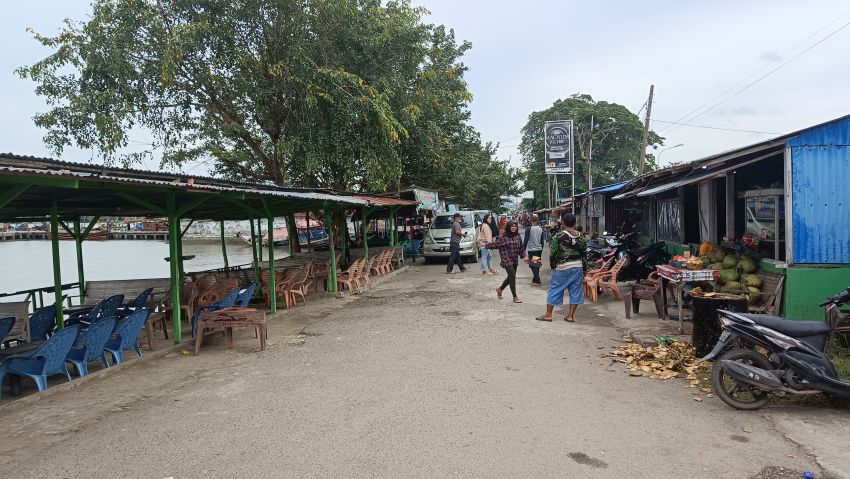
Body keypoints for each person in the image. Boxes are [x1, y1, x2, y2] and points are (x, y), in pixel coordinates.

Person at [536, 213, 587, 322]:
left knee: (554, 290)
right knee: (576, 291)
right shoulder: (581, 237)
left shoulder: (558, 236)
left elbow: (553, 253)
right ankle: (570, 316)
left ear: (563, 222)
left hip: (562, 268)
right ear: (575, 223)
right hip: (577, 267)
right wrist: (584, 270)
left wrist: (553, 266)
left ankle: (548, 315)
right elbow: (584, 255)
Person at [485, 220, 526, 303]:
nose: (514, 227)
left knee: (510, 277)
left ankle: (500, 289)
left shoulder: (518, 236)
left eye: (515, 226)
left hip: (514, 259)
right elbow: (496, 244)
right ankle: (515, 297)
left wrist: (524, 257)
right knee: (512, 277)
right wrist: (485, 245)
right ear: (508, 227)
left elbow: (521, 248)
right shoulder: (504, 237)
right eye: (512, 226)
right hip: (506, 259)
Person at [522, 214, 546, 287]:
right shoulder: (540, 228)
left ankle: (538, 280)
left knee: (533, 265)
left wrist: (523, 251)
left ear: (530, 220)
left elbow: (526, 240)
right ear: (537, 220)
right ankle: (535, 280)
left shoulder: (529, 229)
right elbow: (542, 241)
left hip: (532, 250)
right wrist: (541, 249)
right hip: (539, 249)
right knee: (536, 264)